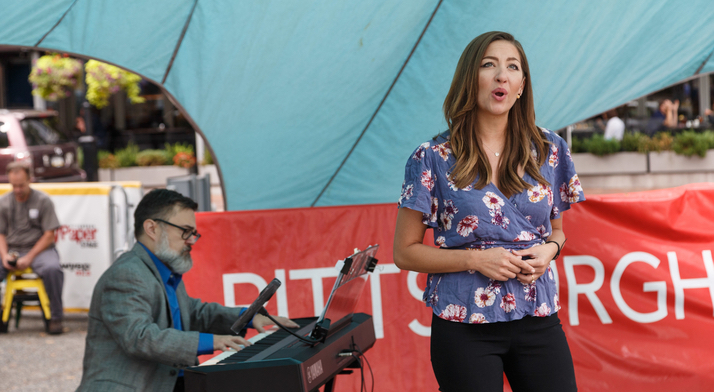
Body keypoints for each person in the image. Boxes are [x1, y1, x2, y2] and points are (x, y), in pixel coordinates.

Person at [393, 31, 583, 392]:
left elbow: (557, 232)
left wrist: (549, 251)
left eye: (512, 67)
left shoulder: (549, 149)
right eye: (489, 65)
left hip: (537, 316)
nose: (502, 75)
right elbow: (403, 252)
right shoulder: (432, 156)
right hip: (464, 327)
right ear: (471, 78)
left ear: (521, 86)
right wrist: (476, 260)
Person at [77, 189, 298, 392]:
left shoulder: (163, 269)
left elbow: (194, 312)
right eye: (185, 231)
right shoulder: (126, 274)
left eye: (194, 233)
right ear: (152, 228)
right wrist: (213, 341)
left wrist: (248, 318)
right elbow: (140, 337)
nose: (192, 241)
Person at [0, 162, 64, 334]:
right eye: (14, 186)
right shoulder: (3, 202)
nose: (18, 190)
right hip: (12, 248)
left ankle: (56, 318)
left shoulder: (43, 201)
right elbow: (1, 234)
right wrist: (5, 255)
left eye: (21, 185)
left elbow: (49, 235)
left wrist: (29, 257)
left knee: (53, 269)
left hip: (40, 249)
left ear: (30, 180)